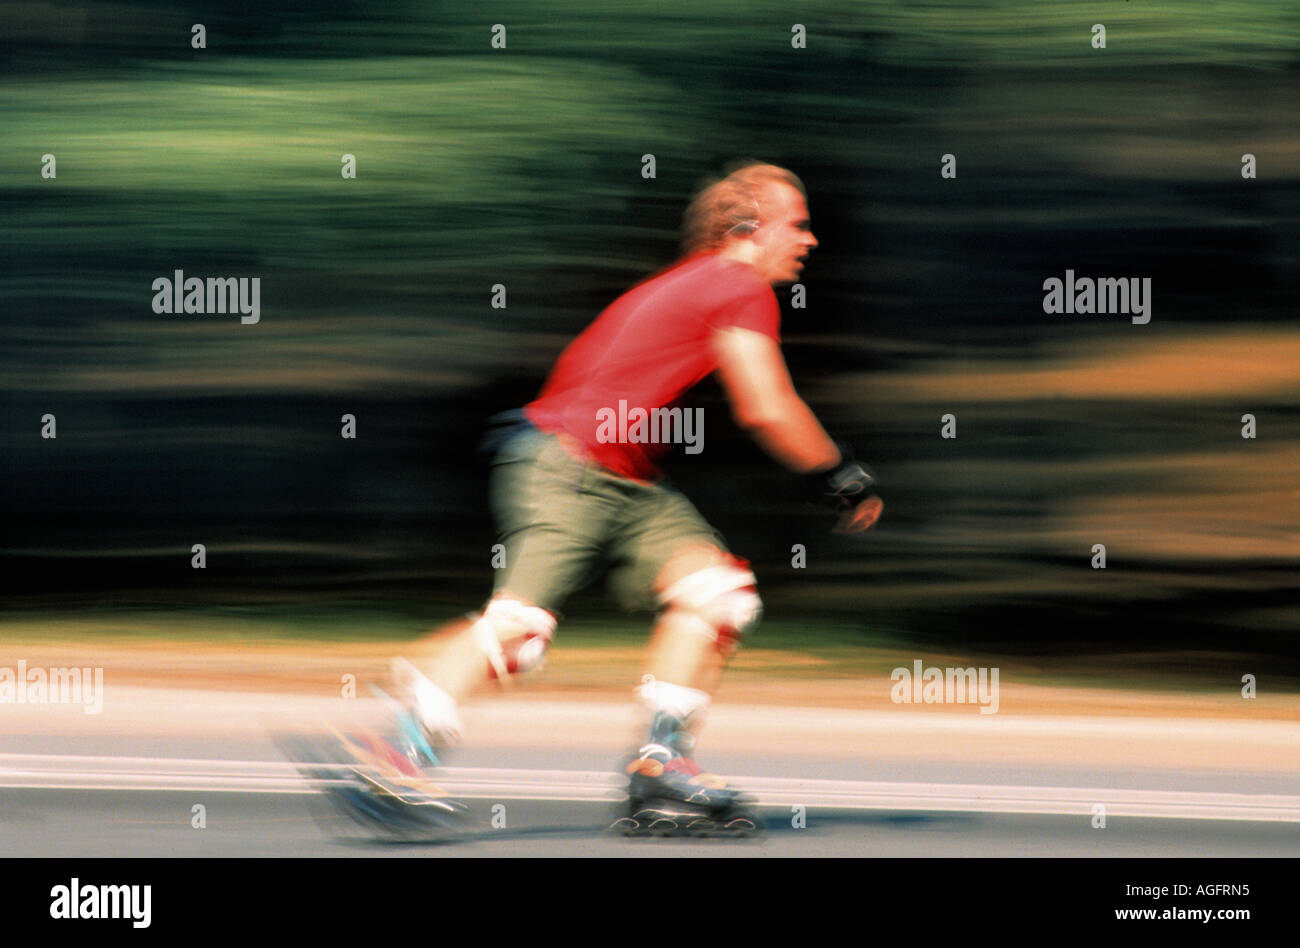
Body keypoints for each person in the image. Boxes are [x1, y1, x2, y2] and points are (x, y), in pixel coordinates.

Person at [391, 160, 883, 832]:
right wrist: (840, 474)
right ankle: (398, 751)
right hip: (568, 466)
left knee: (718, 595)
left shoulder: (694, 283)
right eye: (797, 224)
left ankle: (660, 767)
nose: (810, 239)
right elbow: (767, 406)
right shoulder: (737, 285)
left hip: (626, 477)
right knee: (520, 634)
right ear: (747, 228)